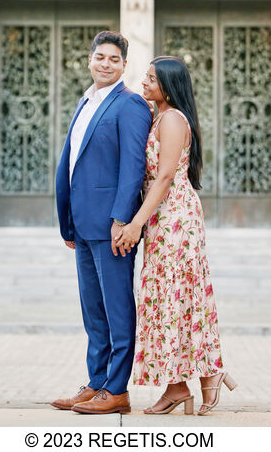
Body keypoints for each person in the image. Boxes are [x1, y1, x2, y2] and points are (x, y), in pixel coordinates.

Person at [114, 56, 238, 416]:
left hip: (174, 217)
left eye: (152, 78)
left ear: (169, 85)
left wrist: (136, 222)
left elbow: (165, 176)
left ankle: (202, 376)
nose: (145, 82)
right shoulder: (159, 117)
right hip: (162, 217)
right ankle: (184, 382)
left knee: (176, 295)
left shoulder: (171, 119)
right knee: (170, 298)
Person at [51, 30, 153, 415]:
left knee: (117, 309)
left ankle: (117, 390)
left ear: (124, 66)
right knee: (93, 310)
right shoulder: (85, 101)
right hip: (82, 223)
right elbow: (73, 162)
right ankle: (95, 383)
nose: (106, 64)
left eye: (114, 59)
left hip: (112, 227)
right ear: (90, 60)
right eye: (100, 57)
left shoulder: (130, 105)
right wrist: (68, 222)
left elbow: (133, 167)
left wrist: (121, 219)